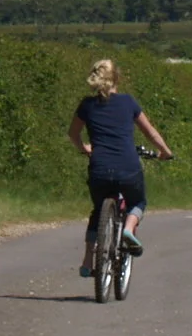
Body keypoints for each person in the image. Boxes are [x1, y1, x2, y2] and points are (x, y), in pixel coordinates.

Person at [69, 58, 173, 276]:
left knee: (98, 210)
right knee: (138, 202)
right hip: (127, 166)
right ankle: (128, 228)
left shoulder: (87, 105)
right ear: (117, 78)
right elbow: (150, 132)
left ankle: (87, 261)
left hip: (99, 168)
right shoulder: (128, 102)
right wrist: (165, 151)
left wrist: (85, 149)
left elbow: (73, 133)